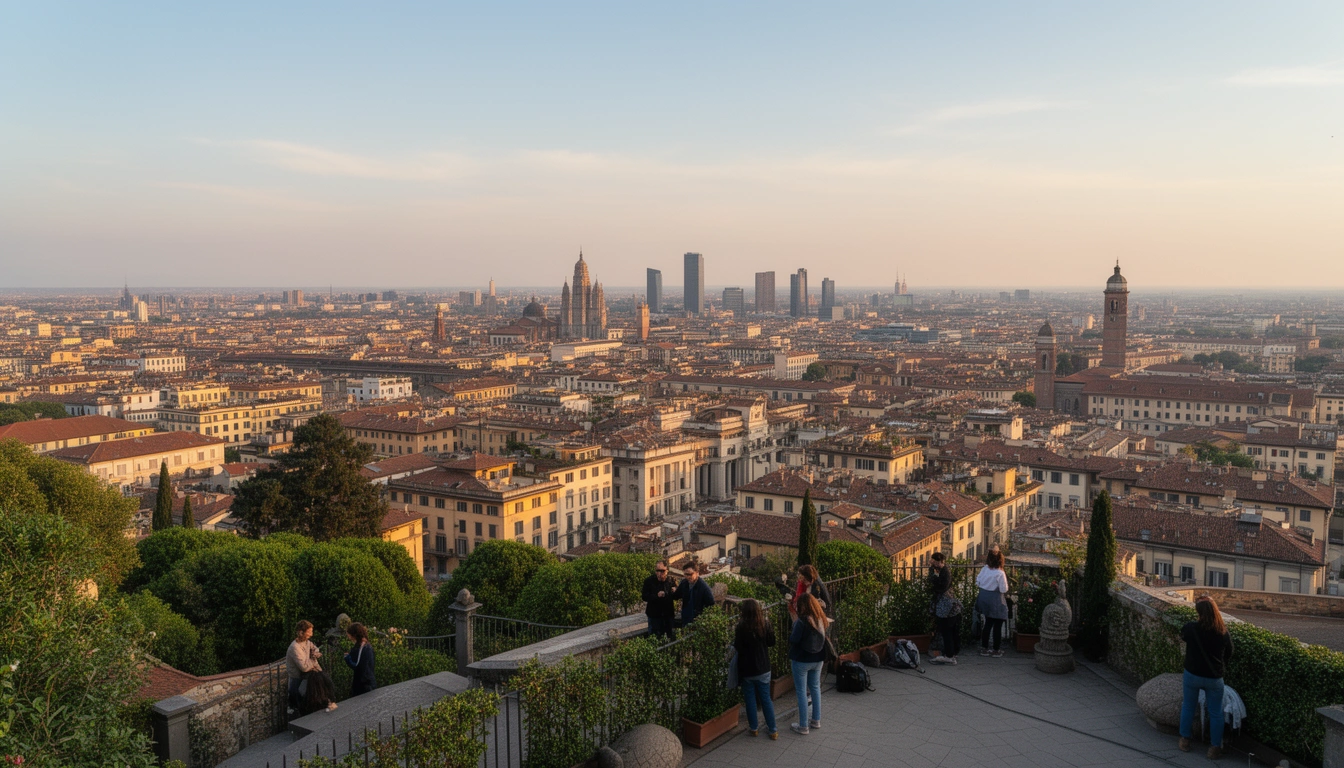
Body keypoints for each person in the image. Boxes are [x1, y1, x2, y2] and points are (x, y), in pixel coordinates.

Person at [1179, 595, 1234, 760]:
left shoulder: (1190, 628)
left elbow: (1182, 637)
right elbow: (1230, 652)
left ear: (1198, 612)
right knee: (1216, 712)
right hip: (1213, 677)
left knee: (1188, 706)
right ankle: (1214, 748)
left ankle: (1185, 740)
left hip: (1192, 674)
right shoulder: (1222, 632)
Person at [734, 598, 778, 739]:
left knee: (750, 700)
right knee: (766, 698)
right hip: (763, 667)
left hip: (747, 669)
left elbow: (738, 647)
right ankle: (773, 730)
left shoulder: (741, 627)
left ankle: (754, 728)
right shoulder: (764, 624)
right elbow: (772, 642)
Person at [788, 593, 830, 736]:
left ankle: (803, 726)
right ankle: (816, 720)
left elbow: (793, 639)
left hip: (801, 660)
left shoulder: (802, 621)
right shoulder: (820, 618)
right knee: (815, 688)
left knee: (801, 691)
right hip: (818, 659)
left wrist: (793, 623)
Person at [928, 553, 960, 665]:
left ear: (938, 562)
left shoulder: (945, 572)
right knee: (950, 630)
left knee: (947, 630)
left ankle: (949, 655)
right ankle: (952, 652)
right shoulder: (944, 571)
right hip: (949, 605)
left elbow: (940, 587)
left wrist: (932, 574)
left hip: (946, 606)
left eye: (934, 562)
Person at [976, 551, 1009, 657]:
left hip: (983, 598)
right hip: (995, 599)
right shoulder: (1000, 573)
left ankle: (984, 648)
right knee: (998, 625)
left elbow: (978, 582)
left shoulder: (985, 569)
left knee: (988, 623)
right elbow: (1003, 589)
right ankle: (996, 649)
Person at [286, 620, 322, 713]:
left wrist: (316, 652)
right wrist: (313, 661)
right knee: (300, 706)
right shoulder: (295, 647)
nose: (311, 634)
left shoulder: (307, 642)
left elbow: (314, 648)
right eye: (309, 632)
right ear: (301, 632)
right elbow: (304, 667)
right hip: (297, 680)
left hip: (305, 677)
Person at [641, 561, 677, 640]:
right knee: (655, 639)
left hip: (668, 615)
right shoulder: (649, 581)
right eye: (657, 571)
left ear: (667, 570)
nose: (659, 573)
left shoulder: (671, 580)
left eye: (662, 571)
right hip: (654, 616)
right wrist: (656, 596)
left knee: (670, 639)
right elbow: (644, 596)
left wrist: (675, 590)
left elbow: (677, 596)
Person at [672, 562, 715, 627]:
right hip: (686, 618)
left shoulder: (704, 587)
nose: (688, 577)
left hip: (697, 621)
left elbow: (711, 604)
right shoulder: (684, 583)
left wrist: (702, 618)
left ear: (697, 573)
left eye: (690, 574)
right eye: (686, 574)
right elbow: (676, 596)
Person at [343, 622, 377, 697]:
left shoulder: (362, 648)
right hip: (369, 681)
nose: (348, 636)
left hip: (364, 684)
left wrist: (347, 658)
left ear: (354, 635)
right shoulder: (366, 645)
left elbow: (358, 666)